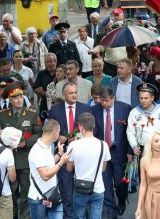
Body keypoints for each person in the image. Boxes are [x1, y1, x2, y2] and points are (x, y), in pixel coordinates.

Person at [0, 82, 43, 219]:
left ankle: (25, 216)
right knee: (10, 191)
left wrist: (26, 142)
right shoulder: (3, 115)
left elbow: (39, 133)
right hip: (9, 159)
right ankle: (12, 216)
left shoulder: (32, 114)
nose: (18, 100)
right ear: (9, 99)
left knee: (25, 191)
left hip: (25, 158)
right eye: (15, 97)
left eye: (20, 96)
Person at [48, 83, 93, 219]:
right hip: (64, 155)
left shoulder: (85, 109)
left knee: (82, 189)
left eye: (75, 92)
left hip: (81, 157)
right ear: (64, 95)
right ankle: (69, 216)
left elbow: (92, 131)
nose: (74, 95)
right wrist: (58, 138)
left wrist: (80, 137)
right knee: (66, 190)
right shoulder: (55, 110)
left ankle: (82, 216)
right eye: (70, 93)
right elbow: (49, 131)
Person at [92, 87, 132, 219]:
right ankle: (111, 212)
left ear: (113, 98)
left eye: (107, 101)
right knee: (105, 183)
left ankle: (121, 199)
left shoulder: (125, 108)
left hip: (118, 150)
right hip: (102, 151)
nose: (104, 104)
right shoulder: (94, 109)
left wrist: (130, 151)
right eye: (102, 101)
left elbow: (130, 131)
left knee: (120, 182)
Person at [66, 113, 111, 219]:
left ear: (80, 127)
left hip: (80, 188)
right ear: (94, 125)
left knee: (79, 216)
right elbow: (103, 168)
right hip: (98, 187)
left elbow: (68, 168)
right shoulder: (103, 144)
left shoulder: (74, 145)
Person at [28, 119, 72, 219]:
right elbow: (45, 175)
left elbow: (48, 164)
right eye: (59, 131)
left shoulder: (46, 147)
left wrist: (59, 154)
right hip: (38, 199)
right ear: (54, 132)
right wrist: (61, 162)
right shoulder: (37, 150)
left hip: (53, 196)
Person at [127, 83, 160, 161]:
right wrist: (134, 145)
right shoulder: (134, 112)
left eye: (146, 98)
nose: (143, 101)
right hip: (141, 149)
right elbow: (130, 132)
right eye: (141, 98)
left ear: (152, 98)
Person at [33, 53, 58, 119]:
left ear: (55, 62)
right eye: (47, 62)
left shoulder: (60, 72)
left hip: (58, 103)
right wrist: (45, 93)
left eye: (51, 61)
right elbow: (35, 88)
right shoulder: (41, 74)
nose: (49, 64)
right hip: (44, 103)